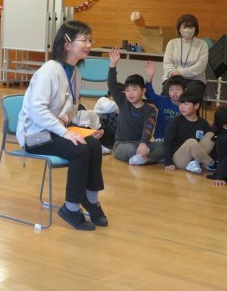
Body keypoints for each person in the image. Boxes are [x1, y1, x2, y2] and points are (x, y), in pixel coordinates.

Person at [16, 21, 107, 231]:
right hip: (34, 137)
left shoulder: (74, 72)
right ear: (67, 44)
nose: (89, 45)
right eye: (84, 40)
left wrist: (73, 125)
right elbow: (37, 110)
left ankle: (91, 201)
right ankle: (71, 208)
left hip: (54, 130)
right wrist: (65, 131)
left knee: (93, 145)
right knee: (80, 149)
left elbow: (70, 109)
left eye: (90, 40)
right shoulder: (49, 70)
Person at [108, 48, 162, 165]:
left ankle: (144, 159)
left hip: (141, 143)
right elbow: (112, 84)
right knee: (131, 149)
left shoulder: (150, 110)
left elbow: (148, 128)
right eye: (127, 90)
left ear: (143, 91)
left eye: (134, 89)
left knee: (165, 146)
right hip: (121, 145)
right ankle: (146, 157)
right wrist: (113, 64)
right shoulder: (123, 101)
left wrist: (143, 143)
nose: (130, 93)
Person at [163, 92, 215, 174]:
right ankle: (212, 164)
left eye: (186, 104)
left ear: (196, 106)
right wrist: (168, 162)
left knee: (211, 135)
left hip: (196, 156)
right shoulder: (176, 121)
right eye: (181, 103)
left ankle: (196, 163)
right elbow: (167, 142)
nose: (182, 107)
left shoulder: (203, 122)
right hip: (180, 159)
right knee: (191, 142)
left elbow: (212, 140)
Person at [162, 14, 208, 98]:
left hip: (194, 79)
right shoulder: (172, 43)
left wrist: (180, 72)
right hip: (174, 78)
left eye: (190, 27)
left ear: (195, 29)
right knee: (167, 89)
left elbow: (200, 66)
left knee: (191, 93)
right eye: (185, 27)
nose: (187, 30)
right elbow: (167, 63)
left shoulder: (202, 44)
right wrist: (173, 73)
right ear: (179, 29)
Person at [145, 60, 185, 140]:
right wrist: (150, 76)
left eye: (178, 89)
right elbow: (149, 94)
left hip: (177, 139)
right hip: (160, 138)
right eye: (171, 89)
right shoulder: (162, 101)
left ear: (185, 90)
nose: (174, 92)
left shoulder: (187, 105)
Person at [93, 83, 123, 154]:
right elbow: (107, 107)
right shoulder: (103, 100)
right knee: (113, 115)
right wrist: (120, 106)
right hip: (98, 128)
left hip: (109, 133)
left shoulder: (116, 104)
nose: (119, 100)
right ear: (110, 95)